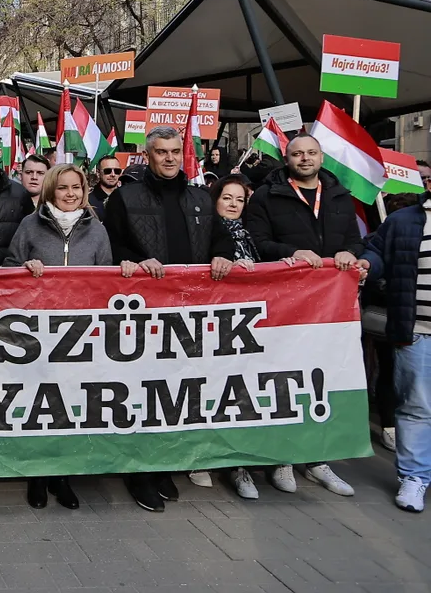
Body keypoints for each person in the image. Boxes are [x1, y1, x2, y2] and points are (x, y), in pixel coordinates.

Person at [103, 125, 232, 513]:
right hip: (144, 312)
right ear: (148, 155)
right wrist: (136, 260)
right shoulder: (125, 197)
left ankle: (162, 464)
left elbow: (218, 236)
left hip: (189, 311)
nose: (170, 158)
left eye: (176, 151)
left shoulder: (200, 198)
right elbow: (114, 245)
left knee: (174, 392)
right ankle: (138, 470)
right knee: (142, 390)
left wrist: (223, 254)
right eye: (162, 152)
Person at [243, 134, 365, 498]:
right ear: (287, 157)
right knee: (286, 379)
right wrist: (291, 252)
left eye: (311, 153)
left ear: (321, 156)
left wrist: (349, 254)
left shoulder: (341, 196)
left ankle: (317, 458)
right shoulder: (267, 195)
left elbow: (357, 242)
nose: (305, 158)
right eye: (298, 153)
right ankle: (283, 458)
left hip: (329, 309)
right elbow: (256, 241)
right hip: (284, 304)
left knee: (323, 380)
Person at [4, 164, 111, 510]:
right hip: (37, 334)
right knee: (39, 406)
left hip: (78, 334)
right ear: (50, 191)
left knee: (68, 407)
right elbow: (7, 268)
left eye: (76, 188)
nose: (69, 194)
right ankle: (38, 475)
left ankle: (62, 475)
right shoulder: (29, 226)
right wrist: (24, 269)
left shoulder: (97, 230)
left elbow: (106, 279)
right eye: (62, 188)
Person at [187, 174, 263, 500]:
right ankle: (200, 459)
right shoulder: (202, 230)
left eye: (239, 200)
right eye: (226, 198)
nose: (232, 205)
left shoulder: (251, 236)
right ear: (214, 199)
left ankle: (238, 465)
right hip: (211, 325)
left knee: (238, 393)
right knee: (205, 390)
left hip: (245, 329)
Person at [359, 188, 431, 512]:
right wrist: (365, 264)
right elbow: (376, 254)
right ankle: (414, 478)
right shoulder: (402, 221)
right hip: (417, 332)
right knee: (416, 408)